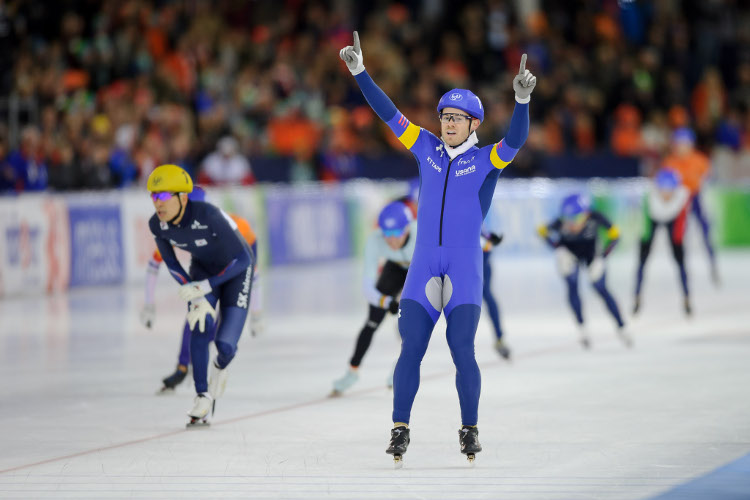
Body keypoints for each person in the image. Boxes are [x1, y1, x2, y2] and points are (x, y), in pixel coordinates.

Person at [340, 31, 534, 464]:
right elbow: (388, 114)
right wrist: (360, 73)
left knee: (462, 350)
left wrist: (521, 102)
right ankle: (399, 427)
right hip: (424, 266)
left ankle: (469, 428)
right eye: (444, 116)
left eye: (456, 118)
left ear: (473, 124)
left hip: (464, 269)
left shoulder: (485, 159)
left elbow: (516, 142)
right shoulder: (425, 147)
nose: (447, 123)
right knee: (412, 348)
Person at [146, 165, 254, 427]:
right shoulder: (157, 224)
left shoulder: (210, 216)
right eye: (153, 196)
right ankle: (202, 395)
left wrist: (206, 286)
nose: (157, 203)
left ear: (183, 197)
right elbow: (171, 264)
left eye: (162, 196)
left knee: (225, 346)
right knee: (199, 323)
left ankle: (220, 365)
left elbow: (245, 258)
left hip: (235, 272)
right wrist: (193, 292)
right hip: (202, 270)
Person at [331, 200, 416, 396]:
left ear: (407, 229)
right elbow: (367, 287)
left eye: (396, 234)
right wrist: (386, 302)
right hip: (394, 268)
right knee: (372, 321)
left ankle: (400, 367)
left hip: (417, 270)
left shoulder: (421, 233)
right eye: (387, 234)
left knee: (410, 322)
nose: (391, 241)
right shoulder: (374, 240)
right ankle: (351, 372)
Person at [537, 194, 631, 349]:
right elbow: (541, 231)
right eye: (567, 219)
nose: (571, 224)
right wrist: (558, 249)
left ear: (586, 214)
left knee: (600, 288)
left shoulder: (596, 217)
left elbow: (616, 235)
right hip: (569, 255)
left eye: (575, 219)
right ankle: (582, 328)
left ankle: (622, 326)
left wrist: (602, 258)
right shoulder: (560, 223)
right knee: (572, 285)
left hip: (592, 255)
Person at [662, 128, 718, 284]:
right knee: (680, 236)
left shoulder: (700, 160)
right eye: (679, 144)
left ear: (690, 144)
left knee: (705, 232)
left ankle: (713, 264)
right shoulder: (670, 162)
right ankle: (683, 268)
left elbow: (710, 177)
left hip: (695, 198)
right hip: (680, 201)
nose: (681, 147)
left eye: (684, 144)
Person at [633, 168, 692, 315]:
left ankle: (686, 297)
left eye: (670, 190)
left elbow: (681, 219)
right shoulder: (648, 196)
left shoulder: (683, 194)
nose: (666, 194)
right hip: (652, 219)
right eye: (663, 190)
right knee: (642, 261)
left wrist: (678, 240)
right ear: (657, 188)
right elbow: (644, 221)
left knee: (680, 261)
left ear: (675, 189)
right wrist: (645, 239)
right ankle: (637, 297)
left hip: (673, 220)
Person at [480, 231, 511, 359]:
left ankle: (499, 338)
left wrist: (488, 238)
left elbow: (484, 236)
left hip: (480, 257)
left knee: (486, 294)